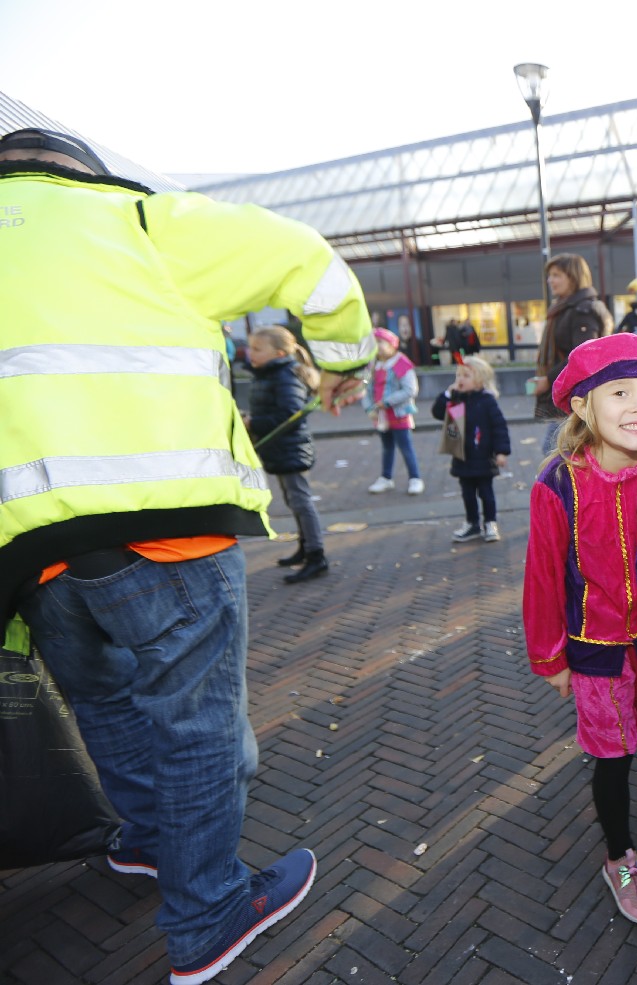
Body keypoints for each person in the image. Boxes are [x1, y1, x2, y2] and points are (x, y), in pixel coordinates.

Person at [0, 127, 373, 984]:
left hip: (29, 548)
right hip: (162, 525)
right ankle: (207, 913)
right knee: (195, 721)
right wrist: (343, 361)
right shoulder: (136, 221)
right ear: (79, 173)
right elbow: (312, 264)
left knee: (106, 705)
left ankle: (145, 841)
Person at [522, 333, 637, 926]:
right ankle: (619, 855)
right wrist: (550, 658)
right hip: (595, 651)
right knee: (613, 757)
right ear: (582, 405)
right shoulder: (558, 483)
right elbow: (543, 576)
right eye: (619, 393)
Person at [244, 326, 330, 583]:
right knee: (294, 501)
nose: (251, 353)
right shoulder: (270, 373)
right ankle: (306, 547)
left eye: (258, 349)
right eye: (251, 347)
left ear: (279, 353)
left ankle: (316, 555)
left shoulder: (285, 375)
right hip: (280, 448)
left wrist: (252, 423)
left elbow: (290, 415)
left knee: (301, 501)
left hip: (290, 448)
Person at [532, 254, 613, 452]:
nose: (550, 280)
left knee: (555, 453)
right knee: (561, 453)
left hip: (576, 397)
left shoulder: (582, 311)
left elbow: (585, 355)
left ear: (573, 277)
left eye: (556, 275)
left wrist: (548, 379)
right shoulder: (565, 308)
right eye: (550, 276)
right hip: (570, 396)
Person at [431, 356, 511, 543]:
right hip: (462, 457)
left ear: (480, 380)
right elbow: (437, 412)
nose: (460, 379)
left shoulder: (487, 401)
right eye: (458, 375)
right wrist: (447, 394)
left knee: (486, 493)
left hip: (483, 457)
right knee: (467, 494)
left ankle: (490, 522)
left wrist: (501, 452)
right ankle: (472, 523)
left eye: (466, 376)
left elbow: (499, 427)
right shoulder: (456, 398)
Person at [363, 328, 424, 495]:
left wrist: (387, 402)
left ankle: (415, 478)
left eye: (380, 342)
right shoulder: (372, 365)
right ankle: (386, 477)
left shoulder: (401, 363)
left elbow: (410, 389)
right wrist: (369, 408)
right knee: (386, 447)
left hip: (399, 414)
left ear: (392, 345)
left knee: (405, 447)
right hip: (380, 415)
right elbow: (365, 388)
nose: (376, 347)